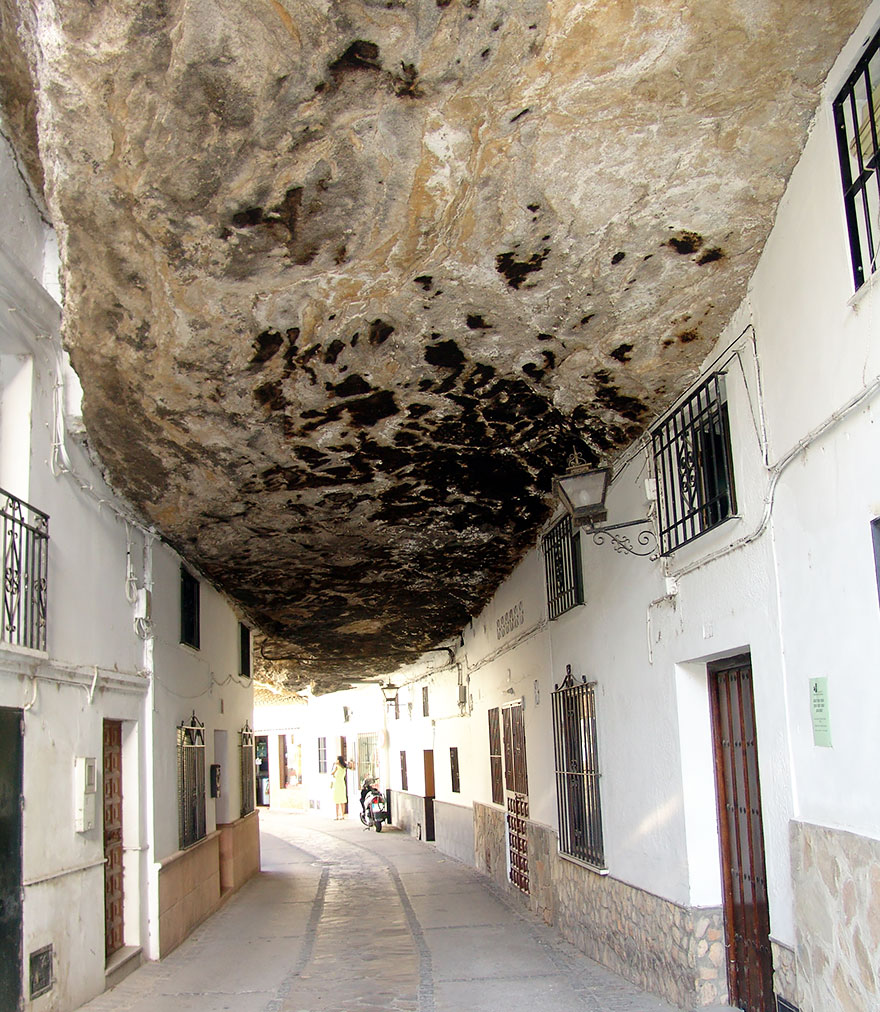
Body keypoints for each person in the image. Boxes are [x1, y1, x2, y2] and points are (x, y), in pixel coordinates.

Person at [329, 755, 350, 820]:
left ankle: (337, 815)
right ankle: (342, 815)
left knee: (337, 801)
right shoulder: (344, 767)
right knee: (342, 800)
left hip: (337, 784)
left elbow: (332, 773)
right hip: (342, 783)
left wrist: (333, 765)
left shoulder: (337, 767)